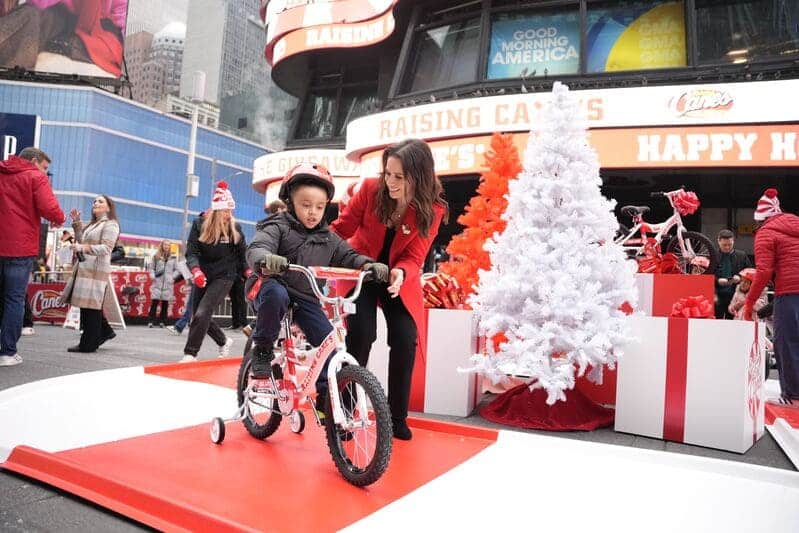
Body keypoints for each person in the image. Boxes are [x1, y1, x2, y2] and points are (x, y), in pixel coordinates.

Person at [330, 139, 448, 440]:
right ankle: (345, 414)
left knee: (405, 337)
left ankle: (397, 418)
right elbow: (340, 229)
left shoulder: (432, 209)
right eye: (388, 174)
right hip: (362, 272)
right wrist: (308, 242)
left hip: (397, 279)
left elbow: (415, 256)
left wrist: (401, 273)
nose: (391, 182)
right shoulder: (370, 189)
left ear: (418, 178)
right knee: (362, 335)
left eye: (399, 177)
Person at [245, 163, 387, 397]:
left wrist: (367, 265)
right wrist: (266, 259)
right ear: (290, 202)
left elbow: (347, 255)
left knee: (329, 343)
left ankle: (326, 397)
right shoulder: (277, 227)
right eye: (306, 205)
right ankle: (262, 349)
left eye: (320, 207)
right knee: (276, 293)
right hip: (271, 288)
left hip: (304, 297)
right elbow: (258, 246)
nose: (313, 212)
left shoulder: (328, 238)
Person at [0, 147, 65, 367]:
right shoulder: (35, 177)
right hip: (20, 247)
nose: (45, 172)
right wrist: (59, 218)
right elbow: (50, 209)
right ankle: (7, 353)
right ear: (34, 161)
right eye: (45, 167)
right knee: (14, 299)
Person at [743, 189, 799, 407]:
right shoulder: (795, 222)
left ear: (761, 218)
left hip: (790, 291)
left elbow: (764, 271)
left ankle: (793, 396)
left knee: (787, 342)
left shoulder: (766, 232)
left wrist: (749, 303)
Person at [180, 182, 246, 363]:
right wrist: (196, 271)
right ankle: (223, 340)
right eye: (225, 210)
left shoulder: (235, 228)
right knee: (198, 316)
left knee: (202, 314)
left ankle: (190, 354)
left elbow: (242, 253)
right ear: (217, 210)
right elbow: (192, 251)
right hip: (203, 274)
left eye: (230, 211)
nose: (229, 215)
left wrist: (248, 273)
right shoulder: (199, 224)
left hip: (225, 276)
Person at [0, 0, 127, 77]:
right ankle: (16, 79)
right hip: (61, 23)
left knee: (34, 15)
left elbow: (119, 21)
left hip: (94, 41)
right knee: (33, 16)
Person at [59, 195, 119, 353]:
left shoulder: (111, 224)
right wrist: (77, 225)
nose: (95, 203)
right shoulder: (94, 224)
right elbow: (81, 241)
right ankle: (98, 336)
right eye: (95, 201)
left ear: (108, 207)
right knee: (87, 307)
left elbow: (106, 248)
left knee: (91, 308)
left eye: (100, 201)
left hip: (96, 270)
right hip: (86, 268)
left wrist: (83, 248)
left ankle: (88, 343)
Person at [714, 229, 751, 319]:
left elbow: (750, 272)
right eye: (724, 245)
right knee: (715, 323)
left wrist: (740, 278)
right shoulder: (713, 256)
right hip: (716, 296)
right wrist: (717, 280)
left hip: (735, 295)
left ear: (733, 241)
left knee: (733, 323)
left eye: (729, 245)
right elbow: (706, 275)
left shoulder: (742, 256)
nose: (727, 247)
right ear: (718, 241)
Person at [148, 239, 178, 328]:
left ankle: (162, 321)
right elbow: (151, 268)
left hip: (168, 283)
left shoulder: (173, 257)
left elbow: (177, 269)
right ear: (162, 245)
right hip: (157, 282)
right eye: (165, 245)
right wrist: (152, 276)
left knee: (165, 303)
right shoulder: (156, 256)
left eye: (168, 245)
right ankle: (151, 321)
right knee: (154, 302)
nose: (166, 246)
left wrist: (173, 277)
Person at [166, 254, 193, 335]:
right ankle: (179, 327)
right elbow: (183, 273)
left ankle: (179, 327)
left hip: (201, 283)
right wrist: (174, 280)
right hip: (199, 283)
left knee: (191, 306)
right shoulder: (188, 261)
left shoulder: (193, 258)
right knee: (195, 307)